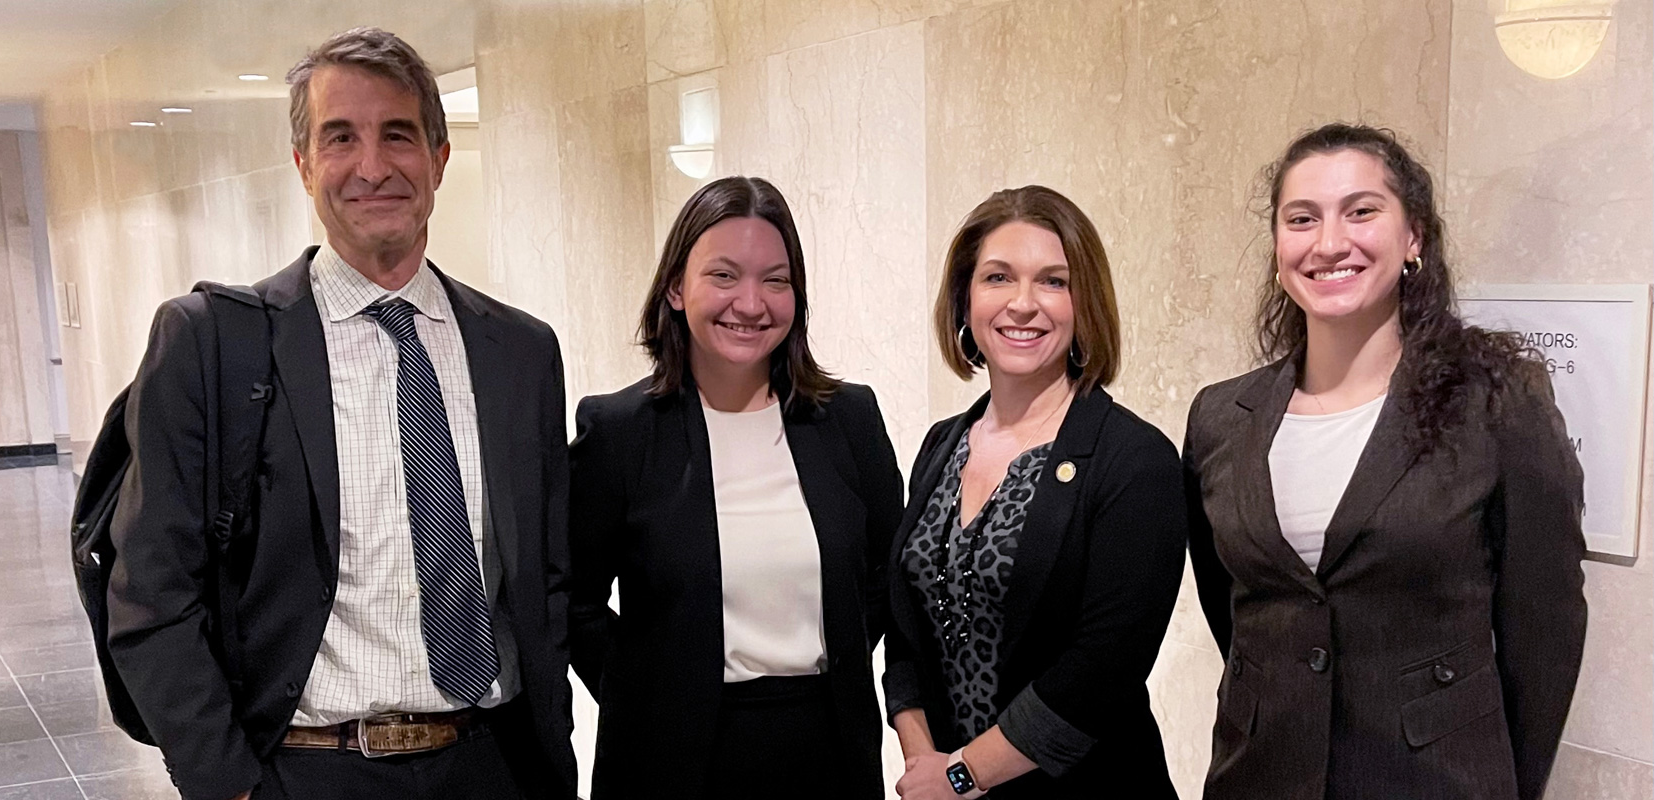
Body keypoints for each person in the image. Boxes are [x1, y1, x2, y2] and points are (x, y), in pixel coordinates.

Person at [106, 27, 576, 800]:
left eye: (398, 135)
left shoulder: (520, 352)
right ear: (302, 165)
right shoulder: (212, 343)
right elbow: (151, 595)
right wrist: (230, 785)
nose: (372, 166)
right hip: (307, 770)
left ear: (439, 158)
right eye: (340, 139)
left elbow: (546, 582)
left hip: (491, 764)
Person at [1183, 123, 1588, 800]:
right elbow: (1238, 615)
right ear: (1279, 246)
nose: (1330, 242)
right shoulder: (1221, 418)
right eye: (1302, 219)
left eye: (1361, 211)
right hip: (1257, 779)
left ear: (1414, 238)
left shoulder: (1495, 402)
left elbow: (1544, 630)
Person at [568, 176, 903, 799]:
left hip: (827, 748)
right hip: (670, 757)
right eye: (723, 276)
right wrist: (647, 684)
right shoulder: (619, 432)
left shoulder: (848, 419)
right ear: (675, 287)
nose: (750, 304)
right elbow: (571, 597)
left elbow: (889, 572)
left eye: (775, 280)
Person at [884, 186, 1186, 799]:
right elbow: (905, 630)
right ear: (965, 299)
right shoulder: (943, 445)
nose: (1023, 304)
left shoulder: (1134, 461)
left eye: (1053, 282)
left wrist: (964, 776)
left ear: (1085, 306)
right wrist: (926, 766)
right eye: (998, 278)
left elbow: (1099, 671)